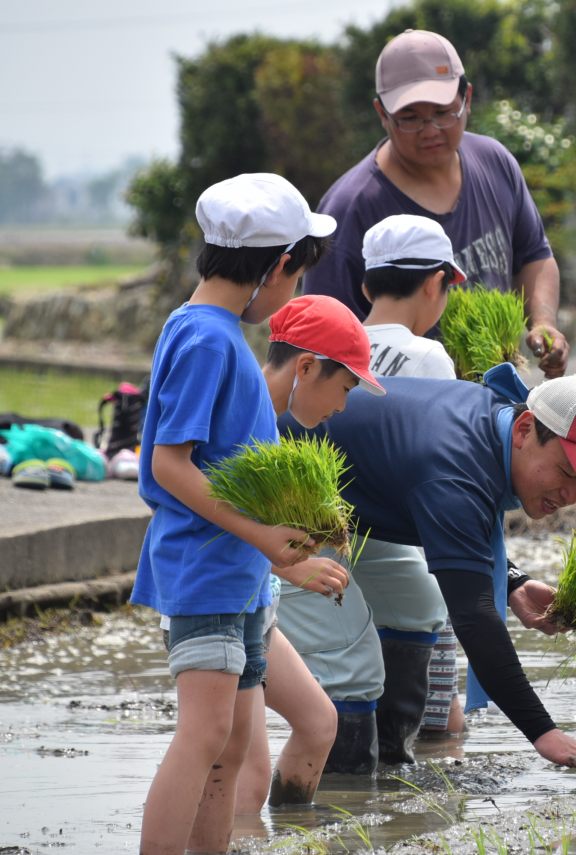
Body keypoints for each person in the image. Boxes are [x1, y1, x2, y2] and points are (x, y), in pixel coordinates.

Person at [131, 174, 351, 855]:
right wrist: (263, 536)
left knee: (227, 742)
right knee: (203, 735)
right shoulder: (206, 339)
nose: (292, 295)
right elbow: (170, 464)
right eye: (296, 276)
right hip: (206, 569)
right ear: (278, 265)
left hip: (239, 573)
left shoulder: (216, 332)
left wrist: (305, 519)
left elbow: (238, 462)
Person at [276, 369, 576, 776]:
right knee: (351, 667)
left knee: (418, 605)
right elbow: (474, 617)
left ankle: (390, 769)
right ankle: (340, 802)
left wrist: (513, 581)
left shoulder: (492, 422)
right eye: (568, 471)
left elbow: (461, 526)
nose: (573, 496)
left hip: (345, 503)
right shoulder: (454, 468)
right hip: (275, 508)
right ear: (525, 429)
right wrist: (543, 732)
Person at [303, 29, 569, 378]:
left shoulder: (496, 163)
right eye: (410, 117)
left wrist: (544, 323)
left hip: (498, 404)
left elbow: (534, 255)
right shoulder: (348, 208)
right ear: (382, 113)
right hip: (402, 412)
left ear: (467, 98)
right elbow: (322, 341)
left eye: (444, 112)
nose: (430, 130)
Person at [235, 295, 388, 816]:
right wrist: (290, 565)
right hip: (220, 605)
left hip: (257, 603)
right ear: (306, 367)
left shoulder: (269, 420)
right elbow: (204, 515)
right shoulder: (244, 415)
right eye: (343, 387)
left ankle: (298, 834)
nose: (343, 406)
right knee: (245, 773)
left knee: (321, 723)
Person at [359, 214, 467, 738]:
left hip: (338, 555)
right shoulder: (428, 356)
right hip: (412, 558)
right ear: (435, 282)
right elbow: (443, 470)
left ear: (365, 284)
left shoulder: (331, 348)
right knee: (439, 720)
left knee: (360, 694)